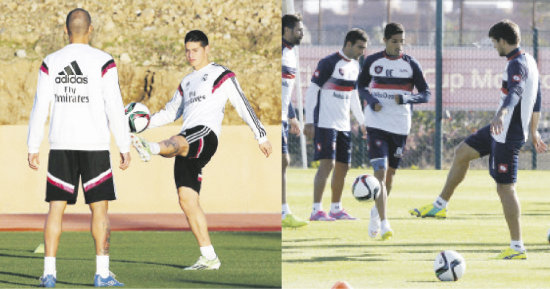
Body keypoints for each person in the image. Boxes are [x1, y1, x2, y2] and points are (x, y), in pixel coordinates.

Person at [131, 30, 273, 270]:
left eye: (195, 50)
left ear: (206, 49)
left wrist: (261, 135)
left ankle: (152, 148)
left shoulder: (221, 74)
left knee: (180, 140)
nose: (190, 55)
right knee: (187, 200)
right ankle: (209, 256)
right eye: (187, 50)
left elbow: (242, 104)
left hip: (205, 135)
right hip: (186, 141)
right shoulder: (186, 82)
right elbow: (169, 113)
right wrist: (142, 124)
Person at [410, 19, 547, 259]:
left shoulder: (517, 64)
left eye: (495, 43)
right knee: (462, 152)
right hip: (499, 129)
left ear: (503, 41)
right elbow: (536, 99)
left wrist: (503, 114)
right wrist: (534, 130)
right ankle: (439, 206)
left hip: (507, 133)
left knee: (505, 188)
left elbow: (515, 94)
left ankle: (517, 247)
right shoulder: (529, 61)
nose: (494, 47)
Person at [27, 8, 129, 287]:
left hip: (61, 146)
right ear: (91, 29)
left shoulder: (51, 61)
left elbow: (40, 106)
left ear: (65, 30)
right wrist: (124, 143)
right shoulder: (103, 61)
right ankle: (102, 274)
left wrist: (32, 145)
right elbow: (114, 105)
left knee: (55, 210)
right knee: (100, 211)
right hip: (94, 146)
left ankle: (49, 274)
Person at [357, 23, 431, 240]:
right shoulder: (372, 61)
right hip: (376, 124)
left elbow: (426, 93)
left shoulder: (410, 64)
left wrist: (407, 98)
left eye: (402, 42)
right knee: (379, 172)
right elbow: (360, 87)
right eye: (394, 41)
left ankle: (375, 212)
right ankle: (385, 222)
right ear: (385, 41)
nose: (399, 46)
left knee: (390, 177)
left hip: (399, 125)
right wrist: (371, 101)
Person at [304, 28, 367, 222]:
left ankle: (336, 209)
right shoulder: (328, 63)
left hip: (343, 125)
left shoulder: (356, 66)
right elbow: (312, 92)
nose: (362, 51)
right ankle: (316, 210)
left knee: (344, 166)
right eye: (359, 47)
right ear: (348, 44)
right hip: (325, 123)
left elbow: (353, 96)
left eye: (364, 48)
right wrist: (309, 122)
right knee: (327, 164)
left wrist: (363, 122)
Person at [281, 14, 308, 228]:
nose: (302, 33)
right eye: (298, 29)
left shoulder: (291, 53)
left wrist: (291, 116)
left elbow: (286, 91)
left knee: (283, 162)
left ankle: (283, 211)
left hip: (282, 117)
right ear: (287, 30)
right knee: (282, 161)